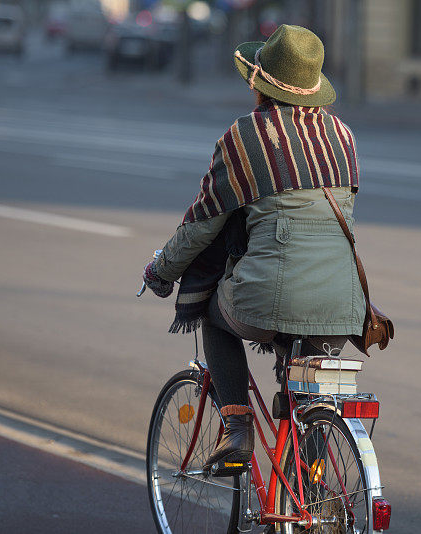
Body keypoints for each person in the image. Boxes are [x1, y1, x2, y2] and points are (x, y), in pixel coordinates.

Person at [142, 25, 365, 473]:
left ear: (259, 85)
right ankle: (316, 490)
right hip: (344, 304)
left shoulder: (246, 136)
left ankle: (237, 428)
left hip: (268, 298)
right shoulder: (342, 134)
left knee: (213, 315)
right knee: (308, 388)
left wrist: (161, 272)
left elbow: (203, 222)